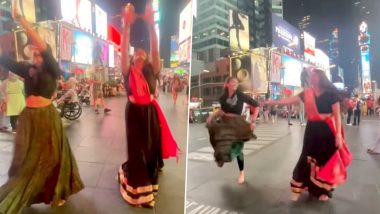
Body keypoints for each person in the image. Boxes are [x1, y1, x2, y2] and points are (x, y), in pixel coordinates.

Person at [0, 2, 84, 213]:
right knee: (26, 158)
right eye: (34, 50)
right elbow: (5, 60)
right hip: (29, 119)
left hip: (47, 117)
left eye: (40, 50)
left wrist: (21, 20)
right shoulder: (27, 68)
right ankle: (32, 191)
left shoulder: (53, 69)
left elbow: (44, 48)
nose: (36, 51)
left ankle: (58, 190)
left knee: (54, 156)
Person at [118, 3, 179, 208]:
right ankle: (139, 189)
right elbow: (124, 47)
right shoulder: (127, 70)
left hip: (150, 112)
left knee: (151, 147)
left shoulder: (153, 69)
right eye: (137, 52)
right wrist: (126, 27)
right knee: (136, 149)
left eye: (142, 51)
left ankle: (150, 178)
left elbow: (154, 46)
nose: (140, 52)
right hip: (133, 113)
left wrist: (152, 26)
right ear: (133, 57)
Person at [266, 68, 351, 202]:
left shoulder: (331, 93)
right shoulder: (307, 93)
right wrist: (270, 102)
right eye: (311, 75)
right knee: (307, 158)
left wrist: (339, 135)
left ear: (321, 77)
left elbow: (337, 115)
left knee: (325, 161)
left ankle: (323, 191)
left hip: (328, 131)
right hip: (312, 130)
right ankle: (300, 187)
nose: (312, 77)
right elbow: (288, 101)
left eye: (315, 75)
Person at [207, 77, 260, 184]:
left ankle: (242, 173)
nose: (235, 83)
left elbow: (257, 105)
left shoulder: (240, 95)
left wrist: (253, 121)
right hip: (225, 122)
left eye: (236, 82)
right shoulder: (223, 97)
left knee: (238, 149)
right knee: (216, 137)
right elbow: (222, 111)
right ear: (227, 84)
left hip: (237, 123)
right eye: (232, 82)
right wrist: (212, 116)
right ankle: (222, 156)